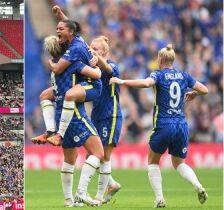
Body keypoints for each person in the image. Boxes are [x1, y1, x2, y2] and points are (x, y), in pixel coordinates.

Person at [110, 44, 208, 208]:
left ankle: (160, 199)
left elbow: (147, 83)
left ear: (160, 59)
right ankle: (198, 185)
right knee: (179, 163)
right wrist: (194, 93)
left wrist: (123, 81)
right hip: (181, 125)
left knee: (153, 161)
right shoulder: (183, 75)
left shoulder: (159, 74)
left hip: (164, 124)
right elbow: (204, 89)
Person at [41, 34, 105, 207]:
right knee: (98, 153)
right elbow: (97, 75)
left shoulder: (56, 68)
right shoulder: (74, 64)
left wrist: (51, 129)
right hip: (75, 115)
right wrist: (98, 66)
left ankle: (69, 201)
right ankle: (81, 193)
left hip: (60, 114)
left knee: (70, 159)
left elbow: (49, 94)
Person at [32, 19, 101, 146]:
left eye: (60, 29)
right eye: (57, 29)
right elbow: (72, 27)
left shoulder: (65, 60)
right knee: (99, 155)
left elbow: (58, 69)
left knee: (54, 95)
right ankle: (53, 133)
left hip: (73, 99)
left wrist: (51, 64)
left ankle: (53, 132)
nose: (57, 31)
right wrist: (96, 66)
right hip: (72, 112)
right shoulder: (71, 62)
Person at [88, 35, 122, 203]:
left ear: (104, 51)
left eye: (95, 49)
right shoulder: (92, 68)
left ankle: (99, 197)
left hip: (111, 114)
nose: (91, 51)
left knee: (104, 156)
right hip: (96, 114)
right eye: (91, 48)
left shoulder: (113, 66)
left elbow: (108, 69)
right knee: (92, 154)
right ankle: (112, 184)